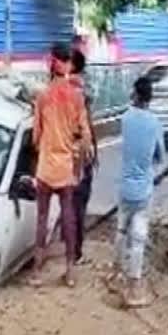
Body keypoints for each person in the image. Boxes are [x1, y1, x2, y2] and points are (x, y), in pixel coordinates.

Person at [30, 42, 92, 287]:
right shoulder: (76, 96)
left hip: (46, 167)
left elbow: (35, 136)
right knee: (69, 218)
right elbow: (85, 137)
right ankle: (69, 272)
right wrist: (77, 167)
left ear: (51, 63)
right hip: (66, 168)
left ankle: (36, 272)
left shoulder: (43, 96)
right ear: (67, 64)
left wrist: (43, 147)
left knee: (42, 218)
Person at [111, 76, 164, 308]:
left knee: (121, 230)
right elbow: (160, 156)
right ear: (150, 97)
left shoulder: (125, 119)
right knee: (138, 239)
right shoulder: (154, 123)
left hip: (124, 187)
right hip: (143, 190)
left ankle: (114, 275)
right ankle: (133, 289)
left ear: (135, 95)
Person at [67, 49, 98, 265]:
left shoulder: (61, 87)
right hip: (80, 153)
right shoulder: (81, 90)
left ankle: (70, 245)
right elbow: (88, 123)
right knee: (80, 202)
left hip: (65, 151)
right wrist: (93, 149)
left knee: (70, 201)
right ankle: (75, 251)